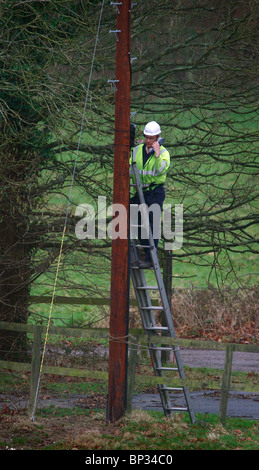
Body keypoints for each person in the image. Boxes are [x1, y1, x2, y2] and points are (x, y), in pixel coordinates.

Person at [130, 121, 170, 268]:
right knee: (136, 221)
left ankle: (150, 259)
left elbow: (161, 170)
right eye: (146, 137)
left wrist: (157, 155)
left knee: (152, 225)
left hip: (155, 192)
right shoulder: (137, 150)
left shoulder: (164, 154)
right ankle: (143, 252)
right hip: (140, 191)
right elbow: (129, 166)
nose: (148, 140)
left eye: (151, 138)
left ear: (158, 138)